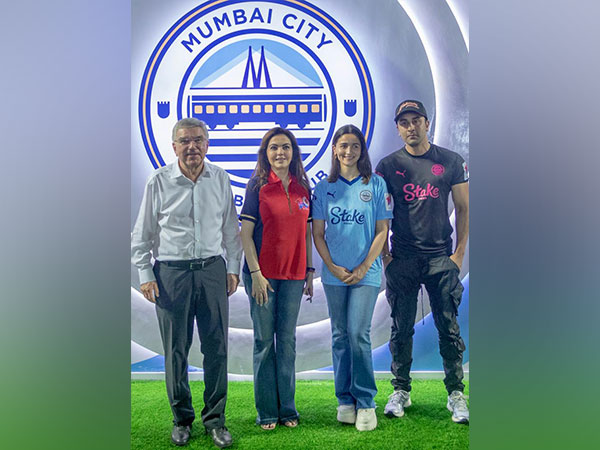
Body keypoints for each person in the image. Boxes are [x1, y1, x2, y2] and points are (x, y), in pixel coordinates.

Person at [131, 118, 242, 448]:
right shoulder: (159, 181)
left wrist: (233, 268)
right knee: (175, 351)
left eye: (198, 140)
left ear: (207, 144)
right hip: (171, 275)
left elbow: (231, 231)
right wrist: (145, 274)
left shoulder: (220, 178)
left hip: (212, 272)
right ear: (174, 146)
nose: (192, 146)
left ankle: (215, 420)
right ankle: (182, 419)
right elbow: (142, 234)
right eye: (185, 141)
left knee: (216, 349)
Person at [375, 100, 470, 424]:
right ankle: (400, 390)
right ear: (398, 128)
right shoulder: (387, 166)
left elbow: (465, 208)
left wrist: (458, 255)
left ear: (427, 123)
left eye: (416, 121)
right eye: (404, 123)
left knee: (449, 328)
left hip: (440, 258)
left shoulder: (450, 161)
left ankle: (456, 394)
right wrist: (387, 256)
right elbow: (381, 215)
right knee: (401, 330)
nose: (411, 127)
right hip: (402, 258)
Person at [312, 125, 393, 431]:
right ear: (335, 149)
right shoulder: (323, 188)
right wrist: (331, 267)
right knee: (339, 336)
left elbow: (382, 231)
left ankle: (366, 402)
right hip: (334, 276)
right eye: (343, 146)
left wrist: (362, 267)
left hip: (367, 274)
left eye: (355, 146)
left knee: (358, 334)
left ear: (362, 150)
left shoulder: (376, 185)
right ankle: (345, 400)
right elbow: (317, 234)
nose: (349, 151)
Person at [240, 127, 314, 431]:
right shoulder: (257, 186)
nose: (280, 153)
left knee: (286, 342)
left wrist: (310, 271)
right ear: (265, 153)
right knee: (263, 343)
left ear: (293, 152)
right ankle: (267, 412)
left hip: (295, 277)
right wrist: (256, 274)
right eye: (274, 148)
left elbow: (307, 233)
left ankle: (288, 409)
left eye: (285, 147)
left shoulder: (303, 187)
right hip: (263, 278)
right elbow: (245, 234)